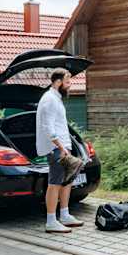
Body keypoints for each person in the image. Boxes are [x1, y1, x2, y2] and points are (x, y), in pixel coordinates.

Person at [36, 68, 84, 233]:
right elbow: (48, 127)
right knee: (54, 183)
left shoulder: (56, 99)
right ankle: (51, 221)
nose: (70, 85)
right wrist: (61, 147)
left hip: (63, 147)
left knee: (66, 181)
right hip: (56, 148)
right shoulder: (49, 99)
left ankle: (64, 215)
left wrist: (67, 147)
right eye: (67, 82)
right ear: (58, 82)